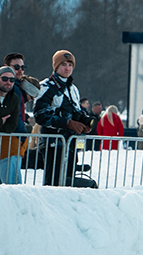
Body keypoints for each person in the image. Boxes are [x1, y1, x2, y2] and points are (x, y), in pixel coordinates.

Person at [34, 50, 93, 186]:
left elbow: (76, 111)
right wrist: (67, 123)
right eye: (63, 64)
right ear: (55, 66)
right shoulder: (46, 86)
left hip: (70, 143)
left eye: (70, 65)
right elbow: (40, 116)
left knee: (68, 182)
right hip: (53, 142)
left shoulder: (73, 88)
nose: (67, 68)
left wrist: (84, 123)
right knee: (54, 182)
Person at [0, 66, 25, 184]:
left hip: (5, 143)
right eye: (4, 78)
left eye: (11, 80)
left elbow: (12, 125)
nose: (8, 82)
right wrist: (1, 121)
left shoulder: (14, 99)